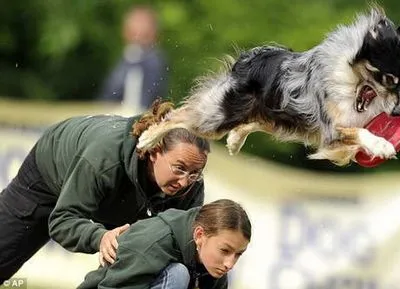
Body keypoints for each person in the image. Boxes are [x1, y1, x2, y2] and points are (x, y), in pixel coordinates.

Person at [0, 100, 210, 283]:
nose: (184, 182)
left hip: (123, 196)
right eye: (179, 168)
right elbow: (62, 220)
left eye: (194, 173)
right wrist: (100, 237)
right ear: (155, 151)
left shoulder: (191, 185)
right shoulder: (103, 160)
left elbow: (191, 251)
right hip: (52, 172)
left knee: (153, 263)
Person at [78, 199, 251, 289]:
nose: (230, 264)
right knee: (178, 274)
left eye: (238, 254)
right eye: (225, 250)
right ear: (199, 235)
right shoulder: (152, 242)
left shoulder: (214, 266)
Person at [99, 6, 168, 114]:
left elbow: (145, 100)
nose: (139, 34)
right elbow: (109, 95)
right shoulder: (126, 58)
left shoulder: (153, 61)